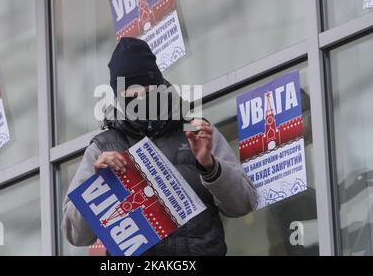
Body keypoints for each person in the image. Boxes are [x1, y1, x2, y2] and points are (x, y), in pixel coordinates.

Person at [61, 37, 257, 255]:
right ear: (118, 97)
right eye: (131, 95)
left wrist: (209, 166)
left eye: (148, 90)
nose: (141, 100)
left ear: (161, 86)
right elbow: (75, 235)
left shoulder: (196, 133)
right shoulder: (102, 148)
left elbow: (243, 203)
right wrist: (98, 186)